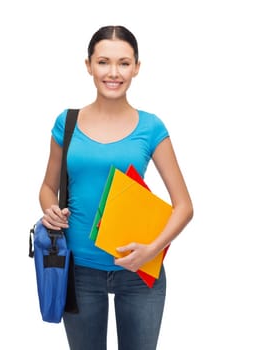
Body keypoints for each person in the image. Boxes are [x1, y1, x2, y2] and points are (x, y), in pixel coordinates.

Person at [39, 25, 193, 350]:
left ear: (137, 67)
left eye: (123, 63)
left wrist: (152, 251)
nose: (113, 72)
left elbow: (184, 206)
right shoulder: (66, 123)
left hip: (139, 273)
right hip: (79, 271)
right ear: (88, 66)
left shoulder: (151, 127)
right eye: (103, 62)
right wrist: (49, 209)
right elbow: (47, 188)